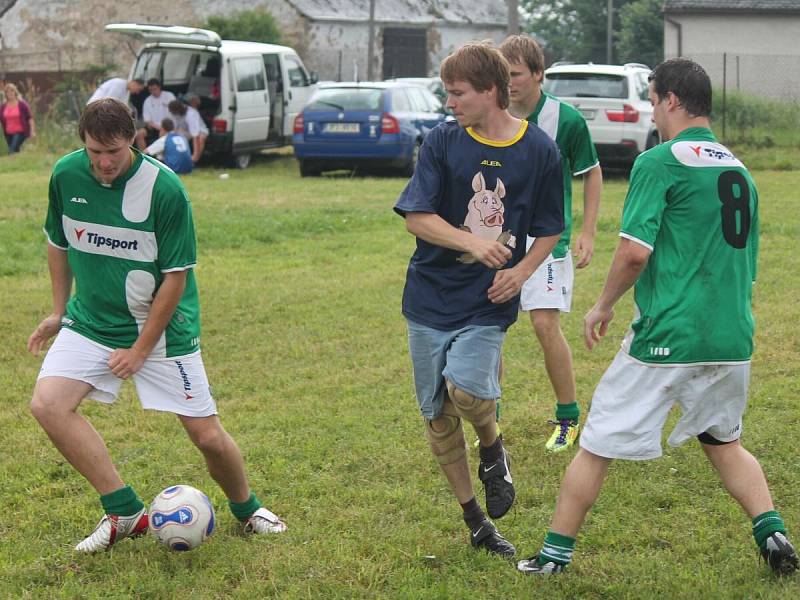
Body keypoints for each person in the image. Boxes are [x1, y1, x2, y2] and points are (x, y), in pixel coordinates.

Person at [517, 58, 798, 576]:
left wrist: (602, 305)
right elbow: (749, 267)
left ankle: (553, 556)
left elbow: (632, 253)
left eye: (651, 99)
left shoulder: (659, 161)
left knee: (597, 438)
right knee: (723, 440)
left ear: (670, 99)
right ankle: (774, 535)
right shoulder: (739, 168)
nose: (651, 109)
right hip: (732, 335)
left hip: (670, 334)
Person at [27, 98, 286, 553]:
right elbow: (58, 242)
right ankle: (125, 510)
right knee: (48, 405)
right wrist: (57, 309)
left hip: (163, 330)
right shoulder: (66, 175)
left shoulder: (165, 190)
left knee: (206, 435)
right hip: (91, 322)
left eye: (115, 151)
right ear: (82, 144)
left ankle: (247, 509)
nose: (105, 163)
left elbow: (175, 278)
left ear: (134, 140)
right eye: (95, 152)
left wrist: (142, 349)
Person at [394, 43, 564, 558]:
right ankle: (476, 523)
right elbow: (416, 216)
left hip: (488, 299)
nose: (450, 101)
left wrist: (521, 273)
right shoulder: (442, 141)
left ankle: (492, 446)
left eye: (458, 92)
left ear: (491, 92)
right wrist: (473, 242)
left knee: (467, 393)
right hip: (429, 294)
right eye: (447, 92)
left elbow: (550, 229)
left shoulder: (539, 150)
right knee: (439, 417)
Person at [499, 34, 602, 453]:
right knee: (491, 330)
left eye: (516, 74)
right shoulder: (492, 115)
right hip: (499, 242)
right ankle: (490, 419)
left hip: (548, 241)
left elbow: (592, 171)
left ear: (538, 74)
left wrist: (588, 231)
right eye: (502, 75)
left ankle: (568, 417)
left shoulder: (566, 119)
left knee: (544, 325)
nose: (509, 83)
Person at [135, 78, 176, 150]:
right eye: (151, 90)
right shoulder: (147, 101)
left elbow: (175, 113)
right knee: (139, 134)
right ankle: (144, 157)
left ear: (159, 87)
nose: (153, 92)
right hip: (154, 127)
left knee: (164, 135)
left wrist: (165, 128)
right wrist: (158, 127)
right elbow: (147, 121)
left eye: (155, 89)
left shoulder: (169, 96)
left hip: (168, 126)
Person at [170, 95, 208, 163]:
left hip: (200, 130)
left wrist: (195, 155)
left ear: (178, 110)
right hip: (185, 131)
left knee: (201, 138)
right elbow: (174, 128)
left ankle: (194, 159)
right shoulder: (174, 113)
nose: (173, 114)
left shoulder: (191, 114)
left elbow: (195, 135)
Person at [0, 83, 36, 154]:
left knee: (11, 150)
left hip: (20, 132)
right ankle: (19, 163)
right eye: (8, 92)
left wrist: (32, 131)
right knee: (16, 150)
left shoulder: (22, 104)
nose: (10, 93)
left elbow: (30, 118)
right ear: (6, 94)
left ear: (15, 92)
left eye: (12, 91)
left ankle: (10, 163)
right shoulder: (3, 106)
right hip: (8, 133)